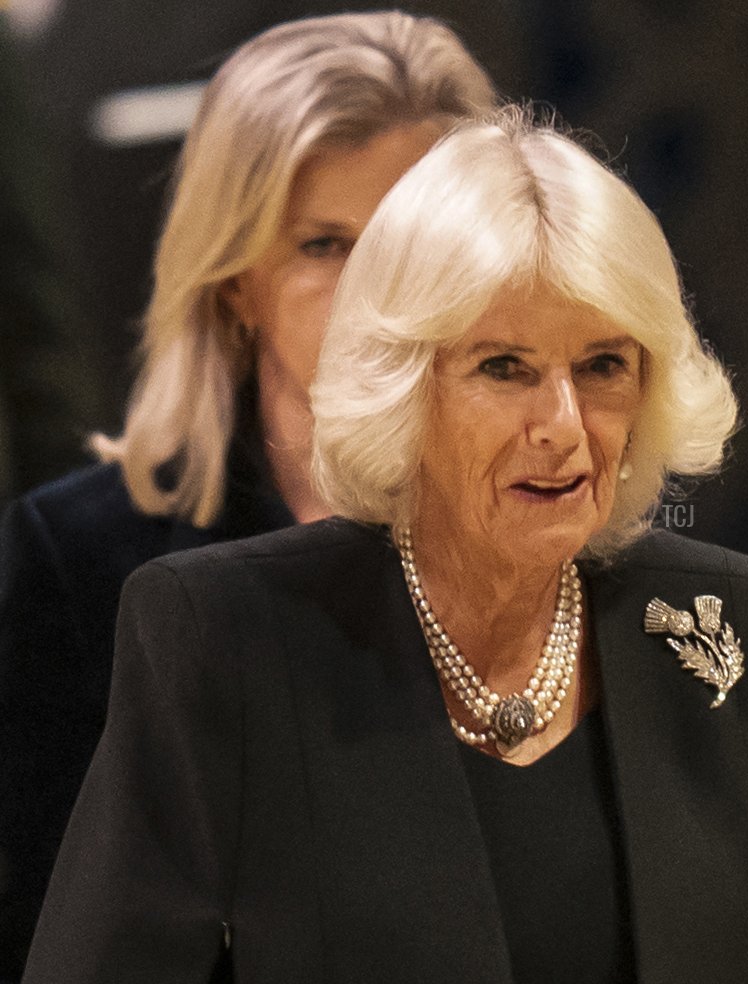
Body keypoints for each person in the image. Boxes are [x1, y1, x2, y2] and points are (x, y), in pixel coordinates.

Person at [23, 109, 748, 983]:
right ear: (404, 386)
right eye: (506, 368)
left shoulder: (743, 628)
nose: (564, 427)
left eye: (603, 366)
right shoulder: (223, 641)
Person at [0, 12, 496, 978]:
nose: (378, 292)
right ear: (236, 280)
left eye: (408, 240)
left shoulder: (559, 514)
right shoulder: (82, 561)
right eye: (324, 246)